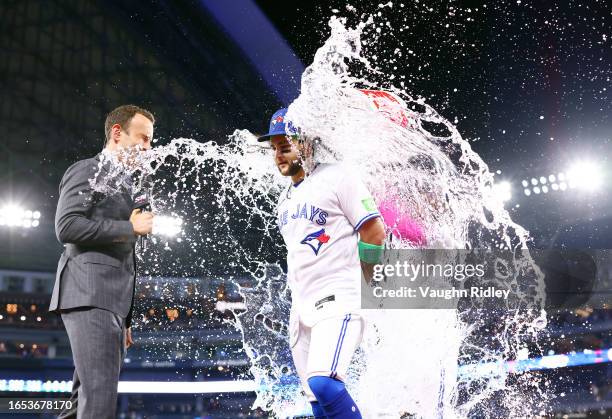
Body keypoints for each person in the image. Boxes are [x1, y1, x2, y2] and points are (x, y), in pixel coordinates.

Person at [257, 108, 386, 418]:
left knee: (325, 383)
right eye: (274, 148)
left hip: (339, 296)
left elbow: (374, 230)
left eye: (285, 146)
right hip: (302, 308)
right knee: (316, 401)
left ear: (307, 144)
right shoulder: (284, 200)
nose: (278, 155)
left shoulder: (338, 176)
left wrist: (365, 282)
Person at [49, 105, 155, 418]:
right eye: (143, 138)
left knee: (83, 400)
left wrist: (125, 317)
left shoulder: (125, 183)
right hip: (91, 296)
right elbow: (66, 227)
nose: (148, 148)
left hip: (107, 303)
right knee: (98, 401)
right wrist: (129, 228)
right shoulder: (88, 170)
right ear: (118, 133)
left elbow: (125, 257)